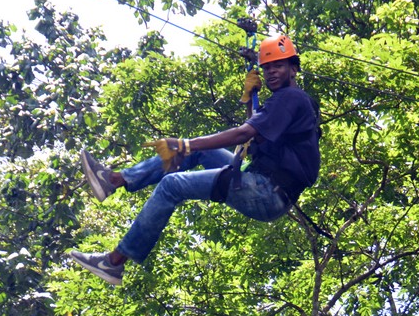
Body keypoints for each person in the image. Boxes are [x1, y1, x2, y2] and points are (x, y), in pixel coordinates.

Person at [69, 34, 321, 285]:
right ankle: (115, 180)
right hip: (261, 182)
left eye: (278, 66)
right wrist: (248, 99)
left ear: (293, 68)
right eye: (267, 68)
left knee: (172, 184)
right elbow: (256, 138)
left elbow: (245, 133)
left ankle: (113, 262)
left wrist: (184, 144)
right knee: (199, 152)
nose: (271, 73)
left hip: (267, 191)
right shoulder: (283, 102)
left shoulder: (292, 98)